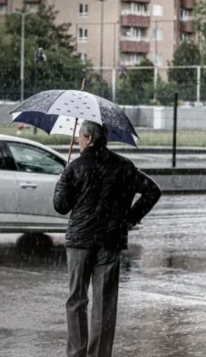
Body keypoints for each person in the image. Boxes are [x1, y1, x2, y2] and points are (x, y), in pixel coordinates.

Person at [54, 120, 161, 357]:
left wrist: (62, 181)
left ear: (89, 138)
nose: (78, 141)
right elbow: (153, 191)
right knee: (104, 305)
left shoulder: (75, 167)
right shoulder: (124, 166)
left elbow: (60, 206)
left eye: (80, 137)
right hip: (110, 241)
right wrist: (130, 219)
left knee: (76, 300)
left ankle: (77, 353)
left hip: (80, 242)